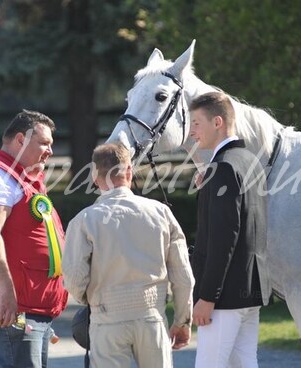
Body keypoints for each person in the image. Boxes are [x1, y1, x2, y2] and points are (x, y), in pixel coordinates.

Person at [62, 142, 195, 368]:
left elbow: (74, 278)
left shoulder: (84, 221)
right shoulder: (161, 212)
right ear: (130, 172)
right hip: (151, 315)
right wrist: (183, 320)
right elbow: (183, 276)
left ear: (95, 176)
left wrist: (91, 300)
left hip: (107, 316)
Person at [0, 109, 68, 368]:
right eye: (45, 143)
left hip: (28, 308)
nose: (50, 152)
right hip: (10, 309)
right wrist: (6, 291)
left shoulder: (21, 178)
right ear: (20, 140)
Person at [189, 92, 271, 368]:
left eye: (197, 123)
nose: (191, 133)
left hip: (223, 297)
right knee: (245, 364)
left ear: (218, 122)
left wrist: (207, 295)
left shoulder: (223, 168)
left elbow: (225, 237)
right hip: (250, 290)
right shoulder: (250, 162)